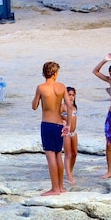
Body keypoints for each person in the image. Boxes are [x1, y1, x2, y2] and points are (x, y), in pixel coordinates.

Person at [32, 61, 71, 196]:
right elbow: (69, 107)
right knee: (58, 155)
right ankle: (60, 187)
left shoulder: (41, 88)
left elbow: (34, 106)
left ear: (45, 73)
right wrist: (69, 125)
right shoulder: (61, 87)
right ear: (55, 74)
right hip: (59, 124)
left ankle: (54, 189)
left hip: (47, 124)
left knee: (50, 157)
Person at [62, 86, 79, 184]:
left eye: (73, 95)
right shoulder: (63, 106)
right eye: (69, 95)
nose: (71, 97)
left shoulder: (74, 107)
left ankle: (70, 170)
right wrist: (63, 121)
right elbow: (56, 115)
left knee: (75, 153)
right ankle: (69, 175)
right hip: (67, 132)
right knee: (68, 154)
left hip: (74, 132)